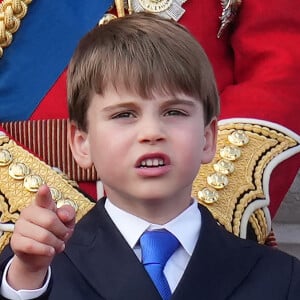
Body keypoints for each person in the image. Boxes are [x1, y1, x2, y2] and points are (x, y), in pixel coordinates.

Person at [0, 12, 299, 300]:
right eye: (125, 114)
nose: (151, 132)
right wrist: (25, 279)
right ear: (82, 143)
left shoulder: (281, 278)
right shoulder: (36, 273)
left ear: (208, 139)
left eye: (174, 112)